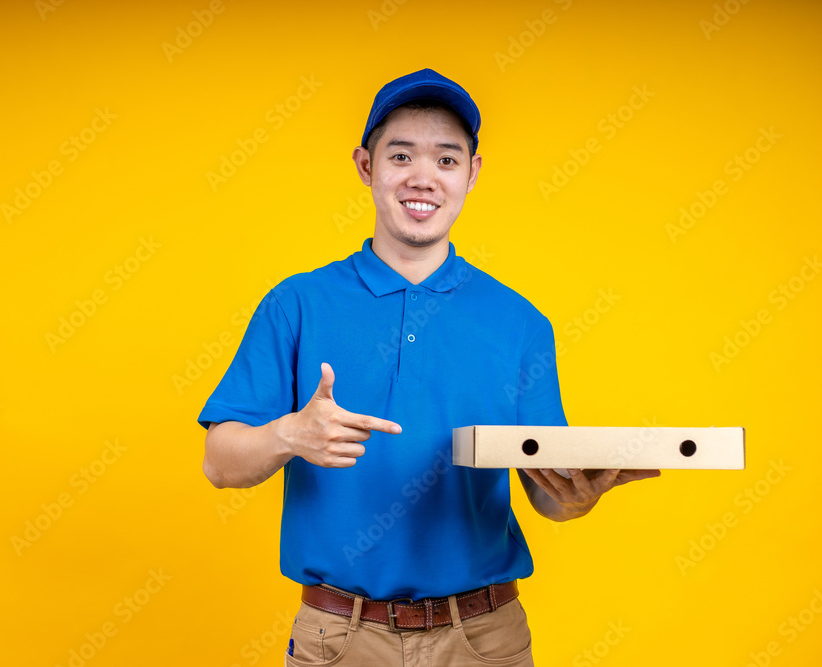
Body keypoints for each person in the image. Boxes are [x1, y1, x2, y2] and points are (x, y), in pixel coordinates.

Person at [198, 68, 658, 666]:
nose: (423, 178)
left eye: (446, 159)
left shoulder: (520, 322)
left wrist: (577, 497)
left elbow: (545, 490)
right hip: (338, 638)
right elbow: (219, 463)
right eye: (401, 155)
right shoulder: (296, 304)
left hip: (485, 637)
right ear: (366, 166)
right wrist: (290, 434)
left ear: (473, 173)